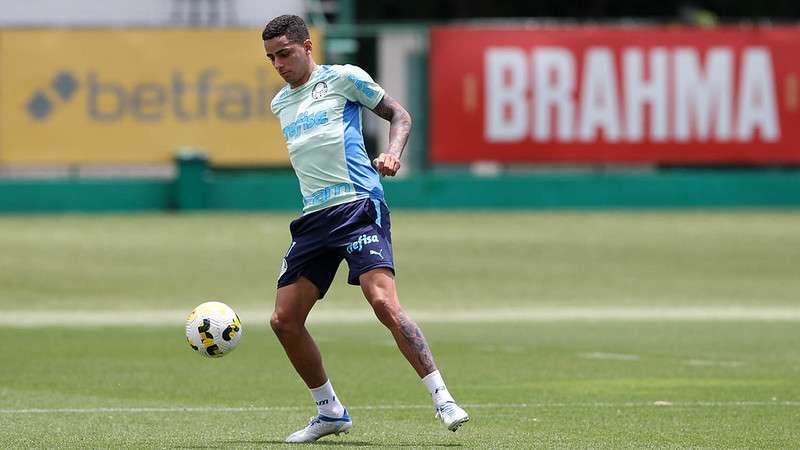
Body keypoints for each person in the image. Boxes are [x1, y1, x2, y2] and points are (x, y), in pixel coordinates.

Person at [263, 14, 470, 444]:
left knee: (383, 303)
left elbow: (400, 114)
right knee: (284, 320)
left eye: (284, 53)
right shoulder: (280, 103)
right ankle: (330, 411)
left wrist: (393, 153)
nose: (279, 64)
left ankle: (443, 398)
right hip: (314, 218)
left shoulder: (343, 79)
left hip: (358, 205)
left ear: (306, 46)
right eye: (271, 58)